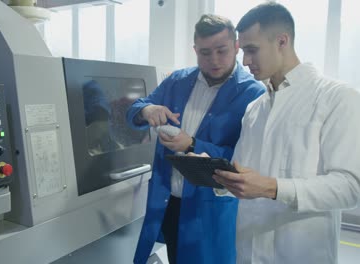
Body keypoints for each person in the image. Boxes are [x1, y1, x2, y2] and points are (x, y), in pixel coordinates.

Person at [212, 3, 360, 263]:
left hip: (301, 254)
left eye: (251, 50)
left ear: (282, 40)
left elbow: (350, 187)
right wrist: (215, 172)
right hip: (248, 252)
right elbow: (244, 174)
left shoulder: (337, 98)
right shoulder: (255, 109)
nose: (244, 61)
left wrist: (273, 188)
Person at [126, 14, 265, 264]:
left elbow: (247, 160)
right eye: (204, 52)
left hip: (210, 209)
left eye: (221, 51)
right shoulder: (177, 81)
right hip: (168, 202)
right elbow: (135, 109)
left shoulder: (253, 93)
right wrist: (147, 110)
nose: (213, 60)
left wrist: (191, 144)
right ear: (195, 50)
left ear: (236, 47)